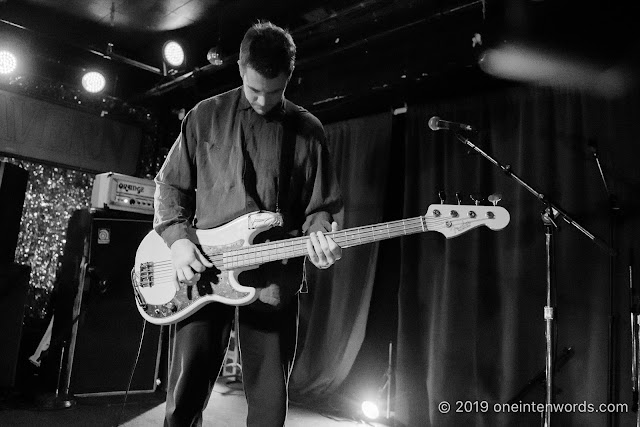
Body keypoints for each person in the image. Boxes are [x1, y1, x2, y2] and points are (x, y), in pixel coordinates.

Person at [153, 21, 344, 427]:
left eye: (273, 92)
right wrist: (178, 241)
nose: (262, 100)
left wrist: (322, 236)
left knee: (270, 399)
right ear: (240, 68)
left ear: (289, 77)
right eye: (254, 89)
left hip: (273, 274)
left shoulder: (308, 130)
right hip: (204, 270)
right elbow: (170, 187)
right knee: (185, 393)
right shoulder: (205, 116)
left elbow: (320, 209)